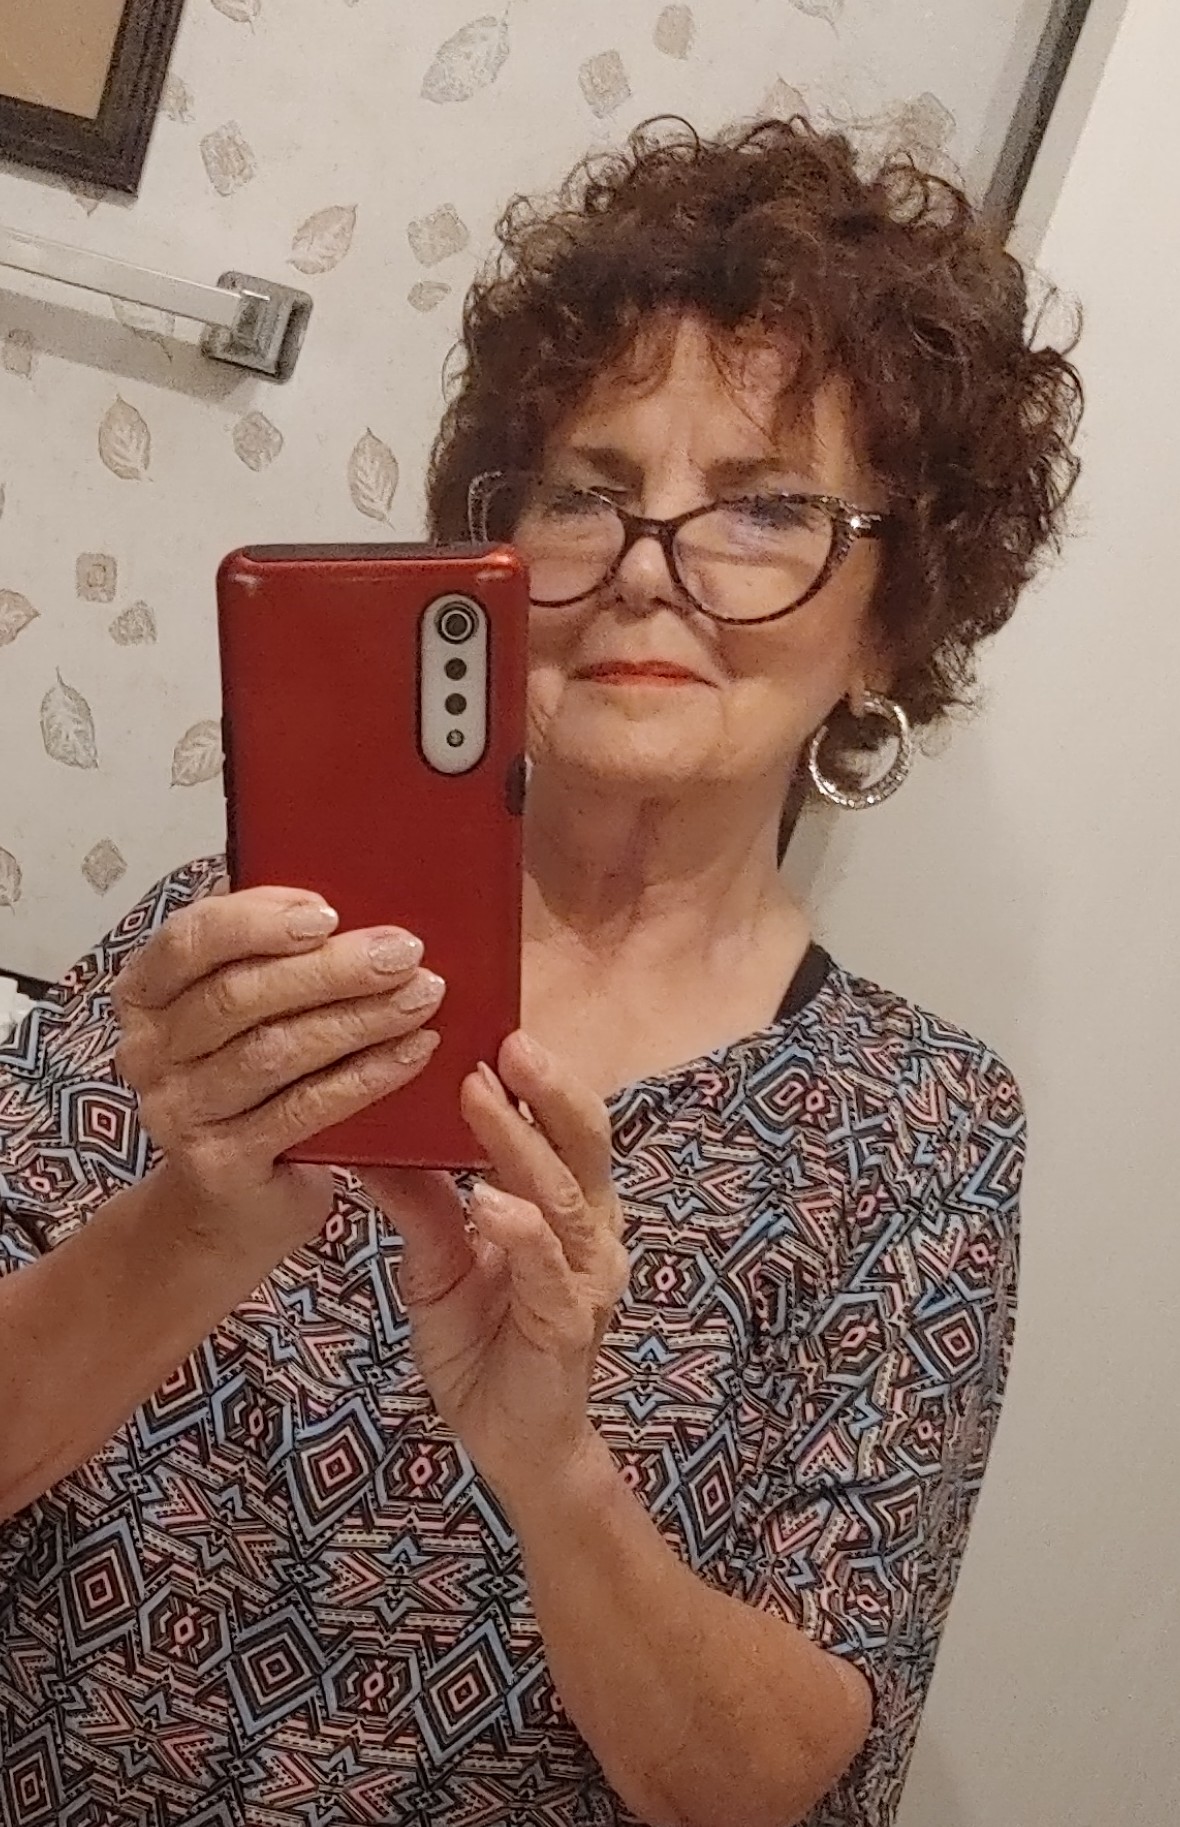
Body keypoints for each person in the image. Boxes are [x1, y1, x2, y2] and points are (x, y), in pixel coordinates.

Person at [0, 117, 1080, 1827]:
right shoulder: (229, 967)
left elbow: (768, 1787)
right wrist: (190, 1232)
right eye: (588, 493)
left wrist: (555, 1464)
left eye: (766, 509)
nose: (648, 571)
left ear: (892, 621)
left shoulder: (922, 1132)